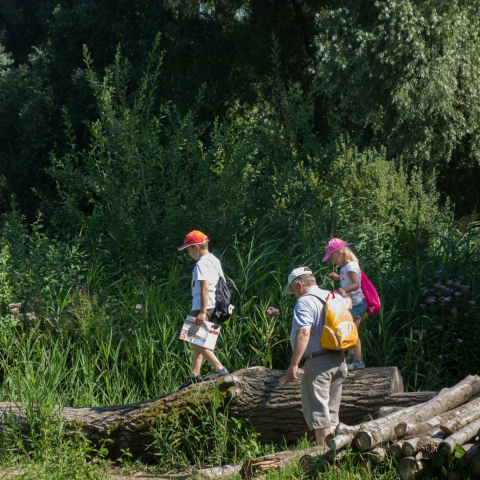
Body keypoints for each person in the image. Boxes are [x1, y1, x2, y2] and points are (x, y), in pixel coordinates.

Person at [285, 267, 350, 450]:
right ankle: (337, 453)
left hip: (318, 363)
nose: (294, 295)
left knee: (319, 414)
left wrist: (294, 364)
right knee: (332, 413)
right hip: (339, 360)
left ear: (299, 284)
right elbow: (349, 305)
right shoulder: (332, 296)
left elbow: (304, 332)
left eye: (293, 290)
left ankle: (325, 458)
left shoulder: (304, 302)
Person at [178, 230, 229, 389]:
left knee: (193, 338)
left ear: (196, 248)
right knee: (198, 342)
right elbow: (224, 281)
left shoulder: (201, 263)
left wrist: (201, 311)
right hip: (215, 305)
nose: (188, 253)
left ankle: (219, 368)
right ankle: (194, 375)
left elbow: (205, 288)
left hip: (203, 306)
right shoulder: (214, 260)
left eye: (189, 249)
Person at [323, 238, 366, 370]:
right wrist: (336, 277)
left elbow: (356, 284)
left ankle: (359, 361)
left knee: (352, 333)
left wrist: (343, 290)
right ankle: (351, 357)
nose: (332, 261)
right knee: (349, 330)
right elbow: (346, 278)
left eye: (332, 258)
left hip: (357, 303)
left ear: (340, 254)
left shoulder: (351, 265)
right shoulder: (345, 266)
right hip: (351, 303)